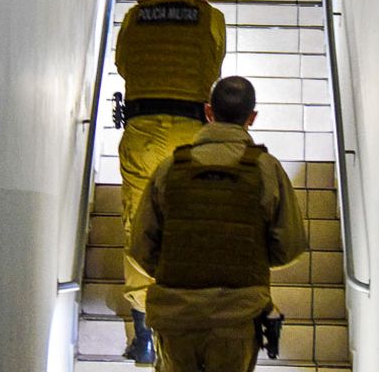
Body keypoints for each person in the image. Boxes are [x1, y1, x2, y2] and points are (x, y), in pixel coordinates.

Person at [128, 76, 308, 372]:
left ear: (209, 111)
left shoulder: (171, 167)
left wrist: (179, 274)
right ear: (252, 117)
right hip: (238, 318)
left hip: (175, 317)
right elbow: (289, 246)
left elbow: (140, 246)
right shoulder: (267, 168)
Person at [114, 0, 227, 363]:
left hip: (142, 130)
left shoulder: (136, 15)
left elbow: (123, 64)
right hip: (191, 135)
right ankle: (186, 322)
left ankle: (144, 335)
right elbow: (214, 66)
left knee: (138, 223)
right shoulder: (210, 17)